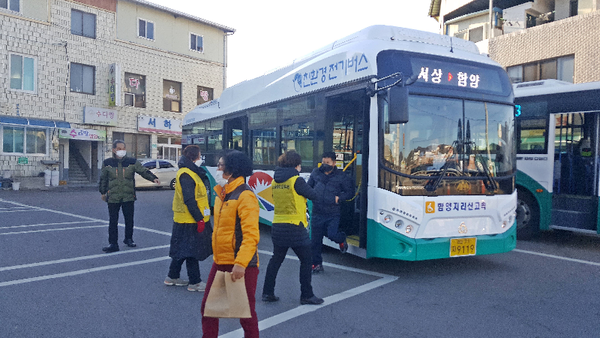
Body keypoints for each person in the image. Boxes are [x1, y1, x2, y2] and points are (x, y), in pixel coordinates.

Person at [201, 150, 260, 338]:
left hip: (241, 264)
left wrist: (240, 264)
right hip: (220, 260)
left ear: (232, 170)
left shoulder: (245, 196)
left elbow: (251, 235)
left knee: (246, 313)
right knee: (208, 309)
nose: (218, 169)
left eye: (221, 165)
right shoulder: (222, 194)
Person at [262, 150, 324, 305]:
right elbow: (314, 195)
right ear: (297, 165)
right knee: (306, 260)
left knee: (276, 260)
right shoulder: (297, 181)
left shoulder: (275, 181)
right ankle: (307, 295)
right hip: (295, 227)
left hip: (277, 225)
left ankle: (267, 292)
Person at [165, 145, 212, 292]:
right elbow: (189, 200)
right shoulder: (186, 174)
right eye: (199, 156)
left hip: (185, 219)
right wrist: (199, 219)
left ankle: (172, 276)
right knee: (192, 251)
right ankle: (195, 282)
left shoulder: (191, 172)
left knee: (182, 249)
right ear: (193, 157)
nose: (201, 158)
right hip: (189, 219)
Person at [99, 140, 159, 253]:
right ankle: (113, 243)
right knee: (113, 221)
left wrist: (153, 178)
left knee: (129, 219)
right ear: (114, 150)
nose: (122, 151)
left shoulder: (132, 162)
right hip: (113, 197)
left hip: (128, 196)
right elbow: (103, 179)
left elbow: (143, 171)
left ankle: (128, 239)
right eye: (119, 148)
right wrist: (103, 192)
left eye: (123, 148)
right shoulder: (107, 163)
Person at [308, 151, 353, 273]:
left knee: (332, 234)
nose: (324, 165)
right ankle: (316, 264)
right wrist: (311, 196)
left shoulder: (341, 176)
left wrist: (339, 198)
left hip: (333, 213)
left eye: (327, 162)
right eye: (323, 162)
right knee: (315, 242)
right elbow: (308, 187)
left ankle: (341, 239)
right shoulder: (316, 173)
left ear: (334, 163)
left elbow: (350, 192)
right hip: (317, 212)